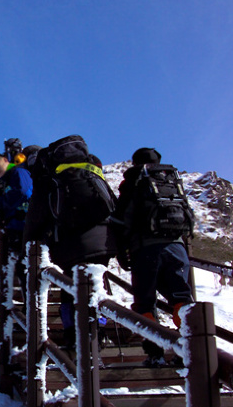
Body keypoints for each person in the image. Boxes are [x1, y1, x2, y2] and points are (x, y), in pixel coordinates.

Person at [23, 135, 115, 347]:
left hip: (69, 242)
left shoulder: (48, 176)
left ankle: (75, 337)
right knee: (96, 284)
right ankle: (98, 332)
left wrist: (28, 246)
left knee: (70, 289)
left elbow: (36, 215)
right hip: (104, 240)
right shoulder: (91, 168)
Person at [113, 147, 195, 330]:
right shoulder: (172, 181)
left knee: (145, 304)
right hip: (177, 248)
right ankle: (188, 352)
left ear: (135, 162)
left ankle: (155, 353)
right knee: (182, 300)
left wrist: (121, 249)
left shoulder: (135, 180)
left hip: (145, 250)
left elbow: (122, 219)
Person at [0, 153, 32, 257]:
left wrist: (0, 202)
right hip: (17, 229)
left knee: (28, 264)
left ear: (6, 160)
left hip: (27, 228)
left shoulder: (18, 172)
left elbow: (23, 192)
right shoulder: (5, 181)